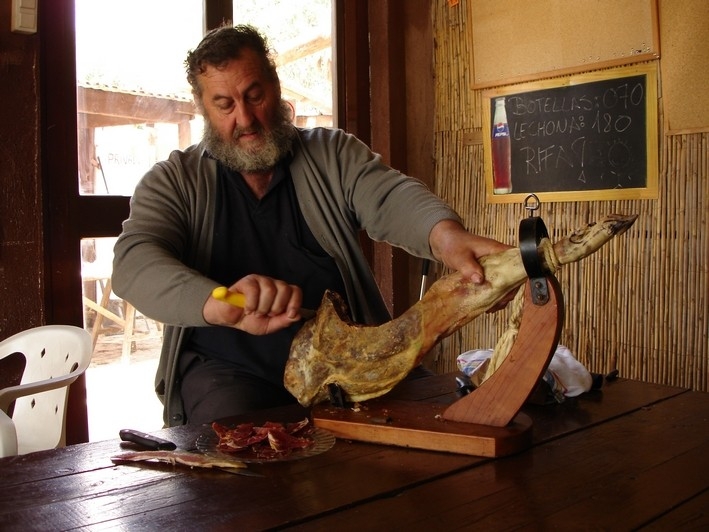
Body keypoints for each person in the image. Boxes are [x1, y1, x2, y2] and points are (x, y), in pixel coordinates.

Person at [112, 24, 510, 427]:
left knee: (440, 422)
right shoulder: (174, 181)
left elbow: (391, 196)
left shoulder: (331, 154)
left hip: (346, 360)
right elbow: (134, 262)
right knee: (239, 447)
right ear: (204, 109)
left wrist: (446, 238)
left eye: (254, 95)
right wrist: (222, 301)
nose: (246, 118)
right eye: (224, 105)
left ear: (275, 86)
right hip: (228, 369)